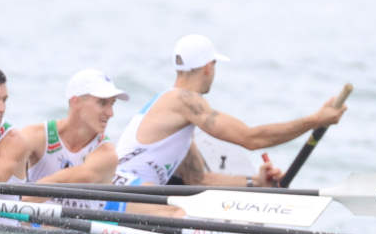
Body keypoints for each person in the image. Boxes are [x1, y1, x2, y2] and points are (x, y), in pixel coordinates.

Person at [112, 34, 346, 191]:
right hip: (120, 193)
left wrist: (256, 182)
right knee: (179, 214)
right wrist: (316, 120)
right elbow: (251, 139)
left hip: (123, 192)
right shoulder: (184, 100)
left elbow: (198, 180)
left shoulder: (172, 113)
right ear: (208, 67)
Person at [20, 69, 126, 193]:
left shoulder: (106, 154)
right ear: (76, 102)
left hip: (80, 213)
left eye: (112, 104)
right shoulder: (36, 136)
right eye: (102, 103)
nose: (110, 113)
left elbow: (60, 182)